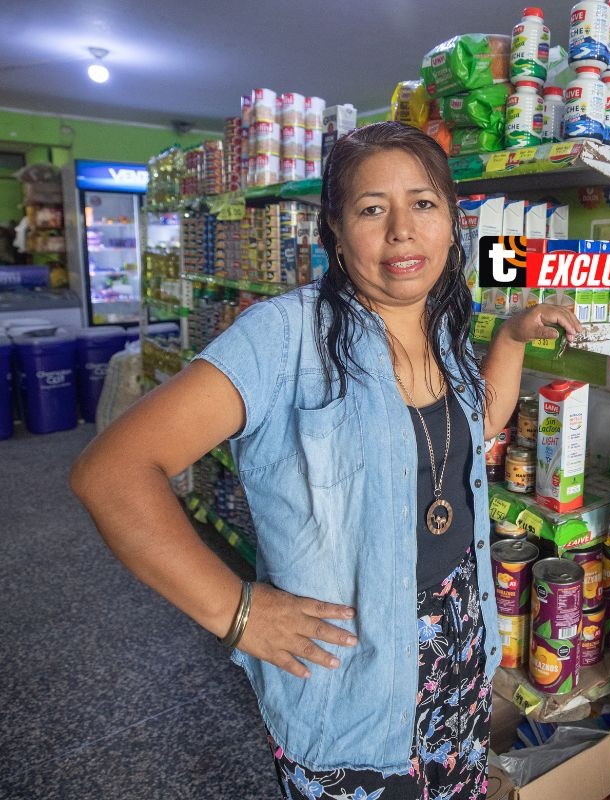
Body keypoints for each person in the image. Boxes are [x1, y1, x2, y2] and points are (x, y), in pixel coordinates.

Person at [70, 121, 581, 798]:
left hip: (457, 662)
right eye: (373, 209)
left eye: (422, 204)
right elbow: (111, 473)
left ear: (453, 224)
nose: (402, 230)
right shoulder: (284, 337)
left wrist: (513, 338)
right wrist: (240, 611)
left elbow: (476, 422)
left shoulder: (442, 323)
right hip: (353, 691)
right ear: (337, 233)